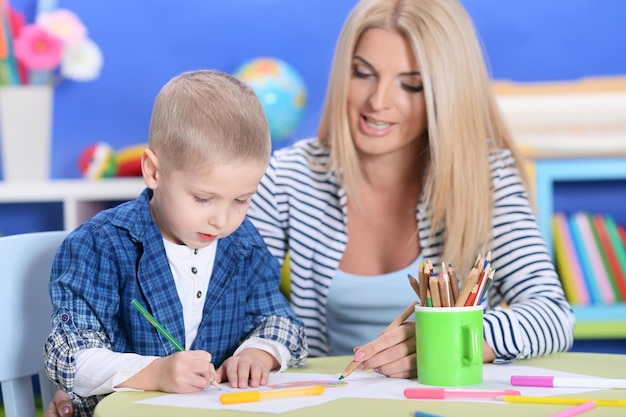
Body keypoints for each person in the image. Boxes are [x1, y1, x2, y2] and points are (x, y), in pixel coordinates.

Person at [246, 0, 575, 378]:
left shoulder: (486, 177)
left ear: (446, 95)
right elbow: (241, 308)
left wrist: (450, 338)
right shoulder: (286, 178)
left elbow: (553, 315)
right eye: (362, 73)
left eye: (411, 84)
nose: (378, 101)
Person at [44, 69, 307, 416]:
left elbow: (281, 320)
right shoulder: (100, 245)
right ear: (154, 172)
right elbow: (68, 354)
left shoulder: (243, 245)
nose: (222, 219)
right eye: (203, 198)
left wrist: (259, 353)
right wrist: (156, 372)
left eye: (241, 200)